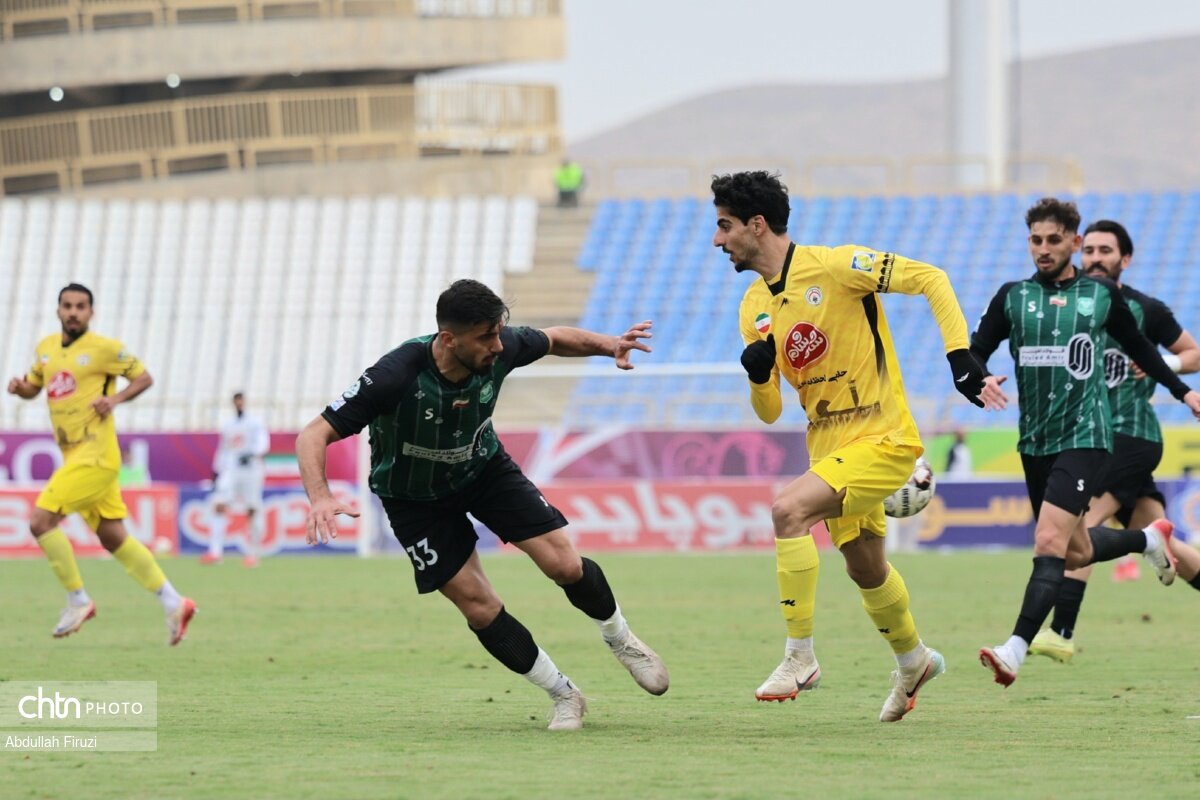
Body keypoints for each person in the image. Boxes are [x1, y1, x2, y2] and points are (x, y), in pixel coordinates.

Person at [296, 279, 668, 731]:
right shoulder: (395, 375)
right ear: (449, 339)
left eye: (498, 333)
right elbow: (314, 434)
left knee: (565, 565)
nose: (498, 345)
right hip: (413, 499)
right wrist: (320, 496)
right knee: (478, 606)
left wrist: (609, 345)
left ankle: (621, 639)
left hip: (484, 471)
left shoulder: (502, 346)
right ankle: (564, 694)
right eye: (486, 337)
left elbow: (554, 338)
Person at [711, 171, 992, 722]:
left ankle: (800, 657)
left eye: (725, 226)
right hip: (828, 448)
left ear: (757, 225)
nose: (718, 240)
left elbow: (931, 278)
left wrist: (960, 356)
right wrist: (759, 376)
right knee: (866, 569)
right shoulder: (753, 307)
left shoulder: (837, 266)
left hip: (883, 436)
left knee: (787, 511)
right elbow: (769, 412)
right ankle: (914, 660)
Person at [969, 199, 1200, 687]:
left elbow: (1148, 350)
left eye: (1055, 240)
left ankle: (1025, 644)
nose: (1045, 248)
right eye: (1037, 240)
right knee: (1076, 549)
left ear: (1074, 243)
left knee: (1050, 540)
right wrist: (977, 379)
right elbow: (975, 351)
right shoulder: (1014, 297)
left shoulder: (1113, 300)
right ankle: (1147, 540)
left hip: (1098, 435)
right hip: (1038, 439)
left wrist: (1183, 391)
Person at [1026, 219, 1200, 663]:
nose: (1096, 259)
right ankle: (1152, 544)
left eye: (1106, 251)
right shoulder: (1069, 306)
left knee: (1078, 524)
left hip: (1128, 433)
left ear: (1125, 259)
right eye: (1090, 250)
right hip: (1088, 434)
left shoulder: (1146, 310)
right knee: (1162, 539)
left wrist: (1161, 363)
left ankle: (1061, 631)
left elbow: (1193, 354)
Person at [6, 283, 196, 645]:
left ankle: (78, 600)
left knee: (41, 521)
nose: (73, 312)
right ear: (58, 310)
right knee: (112, 536)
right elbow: (34, 386)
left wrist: (115, 400)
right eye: (67, 306)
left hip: (96, 453)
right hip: (74, 454)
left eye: (81, 306)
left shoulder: (104, 349)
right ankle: (174, 602)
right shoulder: (46, 348)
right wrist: (20, 388)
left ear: (91, 313)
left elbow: (144, 377)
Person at [204, 391, 270, 568]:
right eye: (236, 401)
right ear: (233, 403)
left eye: (241, 400)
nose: (239, 404)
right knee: (218, 504)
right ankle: (215, 552)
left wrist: (252, 453)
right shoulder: (228, 425)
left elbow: (263, 443)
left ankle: (253, 553)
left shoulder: (255, 422)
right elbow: (224, 449)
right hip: (232, 470)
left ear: (244, 402)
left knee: (253, 509)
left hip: (251, 470)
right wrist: (216, 470)